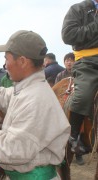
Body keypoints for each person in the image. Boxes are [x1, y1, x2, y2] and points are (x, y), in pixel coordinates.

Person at [0, 30, 70, 179]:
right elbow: (0, 95)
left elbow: (13, 149)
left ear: (22, 61)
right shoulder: (27, 89)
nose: (6, 65)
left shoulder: (35, 99)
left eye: (6, 59)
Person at [62, 0, 98, 156]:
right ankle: (74, 137)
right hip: (88, 61)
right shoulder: (77, 9)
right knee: (83, 95)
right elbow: (68, 35)